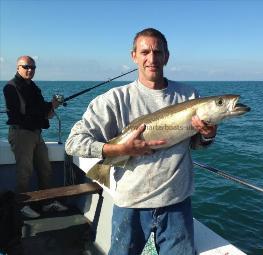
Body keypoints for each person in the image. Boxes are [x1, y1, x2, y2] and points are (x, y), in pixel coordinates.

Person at [65, 28, 217, 255]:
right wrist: (118, 149)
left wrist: (207, 135)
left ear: (167, 56)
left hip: (177, 203)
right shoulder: (114, 99)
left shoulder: (189, 95)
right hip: (130, 206)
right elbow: (73, 143)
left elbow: (195, 144)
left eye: (158, 52)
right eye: (145, 51)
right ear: (133, 56)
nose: (152, 58)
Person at [3, 56, 68, 218]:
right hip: (21, 134)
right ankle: (21, 206)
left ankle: (46, 202)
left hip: (36, 133)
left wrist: (52, 106)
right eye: (26, 67)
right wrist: (47, 108)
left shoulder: (33, 87)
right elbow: (22, 113)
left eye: (33, 67)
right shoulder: (10, 87)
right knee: (24, 171)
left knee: (45, 168)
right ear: (18, 67)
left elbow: (43, 111)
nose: (30, 70)